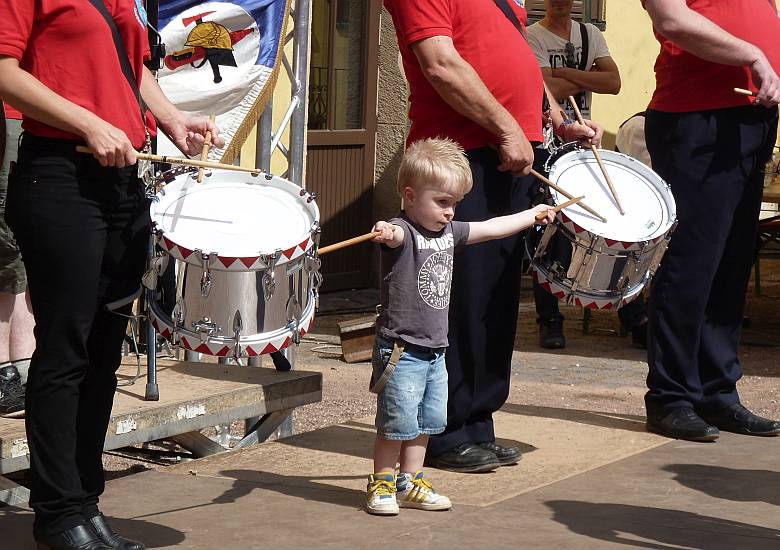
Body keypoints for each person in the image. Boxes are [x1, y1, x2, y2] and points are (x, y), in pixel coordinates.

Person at [0, 1, 224, 548]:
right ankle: (57, 512)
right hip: (59, 173)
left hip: (123, 180)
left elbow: (134, 66)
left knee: (104, 352)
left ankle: (84, 502)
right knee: (66, 347)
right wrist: (87, 121)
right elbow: (4, 71)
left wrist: (170, 118)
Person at [384, 0, 603, 473]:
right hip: (462, 159)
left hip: (507, 149)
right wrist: (507, 128)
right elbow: (440, 64)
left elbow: (514, 61)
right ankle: (442, 432)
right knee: (458, 301)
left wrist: (555, 122)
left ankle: (477, 421)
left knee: (495, 298)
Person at [366, 138, 555, 515]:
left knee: (425, 423)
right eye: (442, 202)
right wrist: (385, 230)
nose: (450, 212)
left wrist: (532, 214)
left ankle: (411, 481)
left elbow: (494, 227)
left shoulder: (451, 235)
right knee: (396, 423)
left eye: (455, 204)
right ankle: (381, 483)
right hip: (401, 351)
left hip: (436, 349)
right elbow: (393, 234)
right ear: (409, 195)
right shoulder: (405, 232)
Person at [641, 0, 780, 442]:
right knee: (690, 265)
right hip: (695, 119)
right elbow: (672, 20)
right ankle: (670, 396)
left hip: (750, 117)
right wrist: (753, 54)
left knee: (731, 262)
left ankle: (717, 391)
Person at [526, 0, 622, 349]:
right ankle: (549, 318)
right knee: (547, 231)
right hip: (544, 144)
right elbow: (539, 89)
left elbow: (612, 82)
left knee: (600, 223)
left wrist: (562, 76)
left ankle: (626, 311)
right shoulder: (531, 36)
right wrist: (581, 79)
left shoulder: (589, 33)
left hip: (582, 141)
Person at [0, 101, 35, 417]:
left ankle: (24, 367)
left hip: (42, 119)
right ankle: (4, 370)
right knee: (7, 244)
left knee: (28, 248)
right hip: (12, 113)